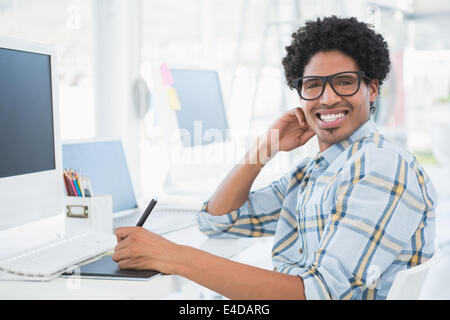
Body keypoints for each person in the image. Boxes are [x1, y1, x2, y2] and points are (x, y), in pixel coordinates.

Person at [112, 16, 436, 300]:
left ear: (373, 89)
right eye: (313, 85)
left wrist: (172, 256)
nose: (328, 97)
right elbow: (218, 220)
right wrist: (265, 147)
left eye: (344, 82)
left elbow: (316, 293)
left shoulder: (380, 166)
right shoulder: (319, 170)